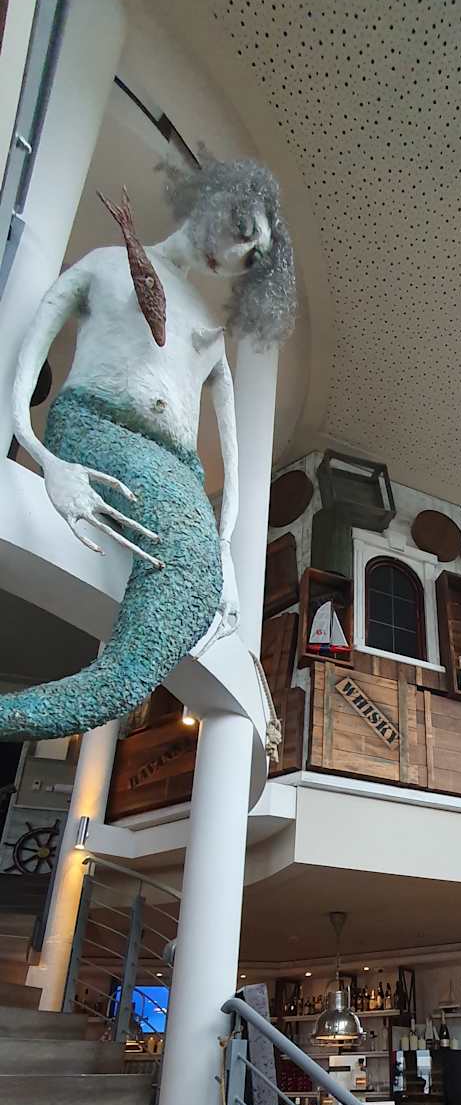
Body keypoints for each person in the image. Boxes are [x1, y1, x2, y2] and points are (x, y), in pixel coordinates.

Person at [0, 153, 295, 741]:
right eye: (242, 229)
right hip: (96, 430)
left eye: (252, 257)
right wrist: (46, 459)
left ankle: (55, 704)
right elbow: (24, 366)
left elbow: (234, 466)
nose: (235, 255)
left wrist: (225, 557)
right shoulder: (106, 264)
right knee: (181, 584)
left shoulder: (210, 334)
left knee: (188, 591)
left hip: (178, 475)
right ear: (214, 197)